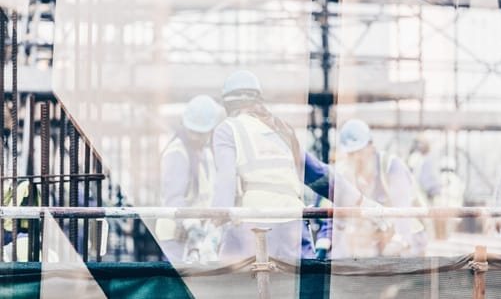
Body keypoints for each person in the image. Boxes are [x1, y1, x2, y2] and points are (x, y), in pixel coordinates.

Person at [212, 70, 377, 263]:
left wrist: (216, 218)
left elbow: (226, 178)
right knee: (301, 285)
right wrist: (361, 202)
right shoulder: (281, 130)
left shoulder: (228, 129)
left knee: (233, 283)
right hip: (293, 225)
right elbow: (319, 175)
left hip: (254, 226)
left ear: (228, 104)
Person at [333, 119, 426, 257]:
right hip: (378, 240)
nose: (356, 158)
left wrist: (397, 244)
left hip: (409, 238)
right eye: (351, 154)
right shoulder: (346, 173)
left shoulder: (392, 167)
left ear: (371, 146)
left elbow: (403, 217)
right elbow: (339, 221)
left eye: (359, 151)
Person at [155, 95, 222, 263]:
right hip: (177, 235)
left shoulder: (205, 153)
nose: (196, 137)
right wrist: (190, 226)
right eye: (193, 132)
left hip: (198, 234)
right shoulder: (177, 153)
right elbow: (173, 198)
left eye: (201, 133)